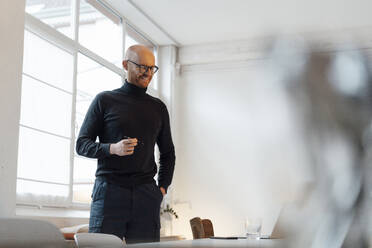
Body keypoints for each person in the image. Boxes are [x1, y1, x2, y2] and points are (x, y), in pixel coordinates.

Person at [76, 45, 176, 244]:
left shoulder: (158, 107)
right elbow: (82, 144)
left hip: (147, 194)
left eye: (151, 68)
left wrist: (162, 188)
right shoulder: (104, 100)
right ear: (125, 64)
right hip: (109, 192)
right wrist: (112, 148)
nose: (147, 73)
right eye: (141, 67)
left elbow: (168, 153)